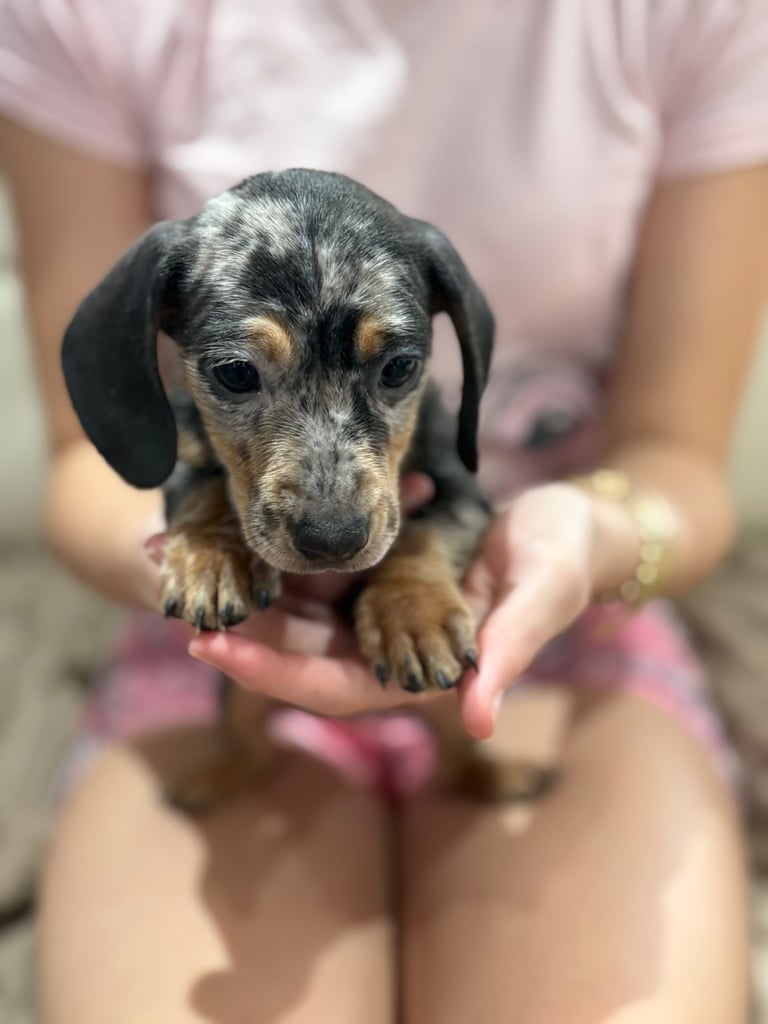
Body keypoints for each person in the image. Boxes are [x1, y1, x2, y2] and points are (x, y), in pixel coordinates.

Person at [1, 1, 767, 1021]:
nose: (328, 503)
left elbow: (675, 453)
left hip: (541, 628)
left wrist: (580, 539)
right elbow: (87, 466)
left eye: (393, 369)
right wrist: (196, 548)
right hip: (210, 653)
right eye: (239, 374)